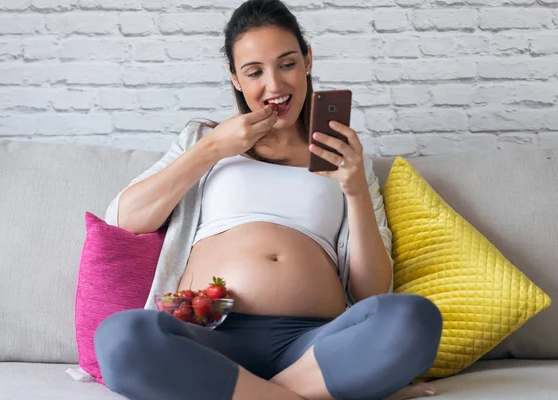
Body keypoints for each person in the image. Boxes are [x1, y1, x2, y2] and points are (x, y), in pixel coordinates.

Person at [94, 0, 443, 399]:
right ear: (235, 78)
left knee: (413, 318)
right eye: (255, 72)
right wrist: (211, 149)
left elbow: (373, 294)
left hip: (312, 345)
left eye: (287, 63)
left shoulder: (344, 159)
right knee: (121, 336)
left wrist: (356, 189)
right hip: (207, 337)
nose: (275, 86)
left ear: (308, 61)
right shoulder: (204, 141)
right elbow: (123, 219)